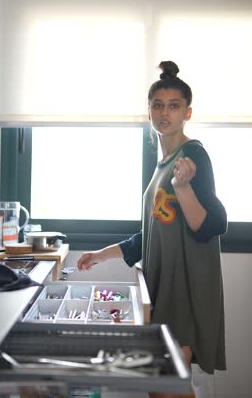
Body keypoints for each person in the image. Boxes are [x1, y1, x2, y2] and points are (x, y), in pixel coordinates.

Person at [77, 61, 227, 398]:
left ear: (187, 113)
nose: (164, 113)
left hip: (185, 289)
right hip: (165, 286)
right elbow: (156, 234)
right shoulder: (164, 163)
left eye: (174, 106)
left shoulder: (192, 156)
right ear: (149, 111)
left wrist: (185, 188)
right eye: (157, 105)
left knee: (164, 386)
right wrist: (103, 255)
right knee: (165, 387)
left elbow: (213, 225)